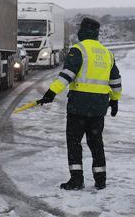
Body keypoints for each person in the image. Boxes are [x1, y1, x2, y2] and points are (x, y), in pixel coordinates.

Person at [37, 17, 122, 191]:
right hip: (99, 107)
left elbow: (66, 75)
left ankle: (77, 180)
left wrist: (51, 92)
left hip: (79, 107)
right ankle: (100, 180)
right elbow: (116, 80)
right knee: (96, 142)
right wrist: (114, 100)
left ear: (83, 31)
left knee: (74, 143)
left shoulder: (78, 50)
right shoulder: (107, 53)